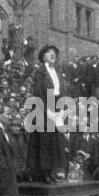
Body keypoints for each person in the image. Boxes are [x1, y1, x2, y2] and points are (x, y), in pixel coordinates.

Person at [26, 44, 68, 183]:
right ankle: (43, 172)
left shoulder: (58, 73)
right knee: (44, 141)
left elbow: (62, 92)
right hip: (42, 109)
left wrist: (61, 109)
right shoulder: (40, 73)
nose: (52, 55)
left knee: (55, 141)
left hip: (56, 108)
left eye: (54, 53)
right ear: (43, 56)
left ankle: (53, 170)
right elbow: (38, 93)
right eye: (49, 53)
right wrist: (47, 111)